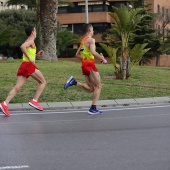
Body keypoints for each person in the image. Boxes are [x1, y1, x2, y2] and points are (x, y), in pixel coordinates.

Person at [0, 26, 46, 117]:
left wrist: (36, 55)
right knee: (43, 82)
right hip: (28, 65)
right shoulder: (30, 41)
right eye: (35, 30)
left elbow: (28, 53)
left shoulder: (29, 41)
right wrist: (30, 58)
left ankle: (4, 104)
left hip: (24, 65)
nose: (36, 32)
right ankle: (34, 101)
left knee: (18, 87)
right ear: (32, 32)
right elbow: (22, 47)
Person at [64, 23, 107, 115]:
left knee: (91, 88)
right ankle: (93, 108)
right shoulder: (91, 40)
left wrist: (86, 60)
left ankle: (74, 82)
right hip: (90, 65)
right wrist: (102, 58)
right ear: (89, 31)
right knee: (99, 86)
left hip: (84, 65)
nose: (93, 31)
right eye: (92, 29)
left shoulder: (83, 41)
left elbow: (77, 55)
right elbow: (93, 52)